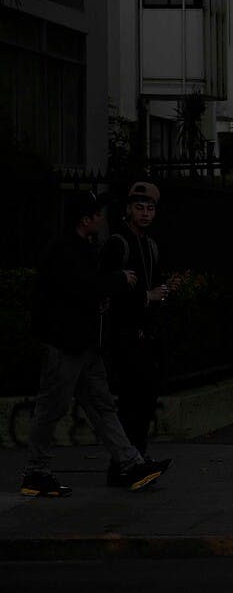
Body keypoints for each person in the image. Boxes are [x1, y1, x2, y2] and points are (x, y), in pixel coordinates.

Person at [20, 192, 170, 497]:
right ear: (85, 219)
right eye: (96, 214)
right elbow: (84, 287)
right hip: (65, 343)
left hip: (85, 343)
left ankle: (129, 463)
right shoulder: (63, 250)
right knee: (52, 407)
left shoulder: (84, 248)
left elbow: (89, 289)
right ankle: (36, 472)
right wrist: (119, 279)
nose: (101, 219)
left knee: (102, 404)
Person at [101, 181, 171, 473]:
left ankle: (137, 457)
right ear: (128, 209)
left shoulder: (150, 246)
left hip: (145, 334)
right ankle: (124, 463)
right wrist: (146, 296)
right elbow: (106, 289)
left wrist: (160, 294)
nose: (145, 213)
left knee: (145, 397)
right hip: (124, 335)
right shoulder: (119, 244)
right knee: (132, 399)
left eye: (150, 208)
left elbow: (155, 283)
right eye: (139, 207)